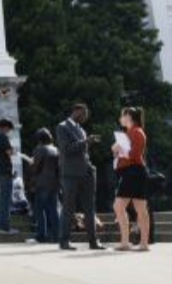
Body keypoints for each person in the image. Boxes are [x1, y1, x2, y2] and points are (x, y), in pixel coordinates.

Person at [56, 103, 105, 251]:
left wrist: (91, 166)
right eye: (84, 114)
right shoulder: (62, 127)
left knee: (90, 208)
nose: (86, 117)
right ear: (76, 112)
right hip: (70, 174)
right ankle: (64, 241)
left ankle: (93, 241)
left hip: (87, 173)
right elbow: (66, 149)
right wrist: (86, 141)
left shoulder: (81, 130)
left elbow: (84, 153)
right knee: (68, 208)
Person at [112, 107, 150, 252]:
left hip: (134, 172)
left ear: (128, 116)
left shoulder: (137, 132)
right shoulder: (130, 132)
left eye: (122, 116)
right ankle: (138, 243)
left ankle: (129, 242)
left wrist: (119, 149)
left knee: (121, 206)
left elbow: (134, 154)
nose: (120, 118)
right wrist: (117, 149)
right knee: (139, 208)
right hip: (132, 172)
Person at [28, 128, 60, 244]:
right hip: (54, 183)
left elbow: (36, 168)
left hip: (41, 183)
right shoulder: (55, 149)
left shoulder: (39, 149)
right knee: (53, 210)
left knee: (39, 210)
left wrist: (31, 163)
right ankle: (57, 236)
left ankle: (41, 235)